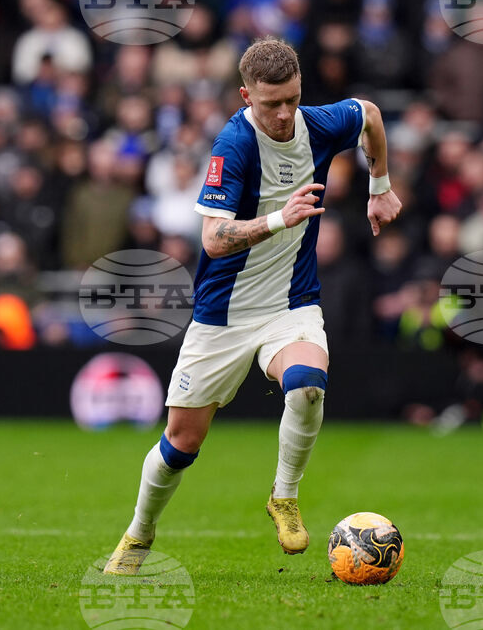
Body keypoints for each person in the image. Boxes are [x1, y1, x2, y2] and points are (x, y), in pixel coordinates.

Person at [104, 37, 402, 573]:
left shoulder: (321, 123)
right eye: (271, 103)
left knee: (309, 384)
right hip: (223, 316)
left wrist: (379, 185)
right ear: (246, 95)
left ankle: (283, 496)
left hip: (291, 303)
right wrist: (277, 220)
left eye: (291, 98)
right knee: (181, 444)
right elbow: (213, 239)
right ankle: (139, 533)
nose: (285, 113)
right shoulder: (233, 146)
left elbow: (372, 116)